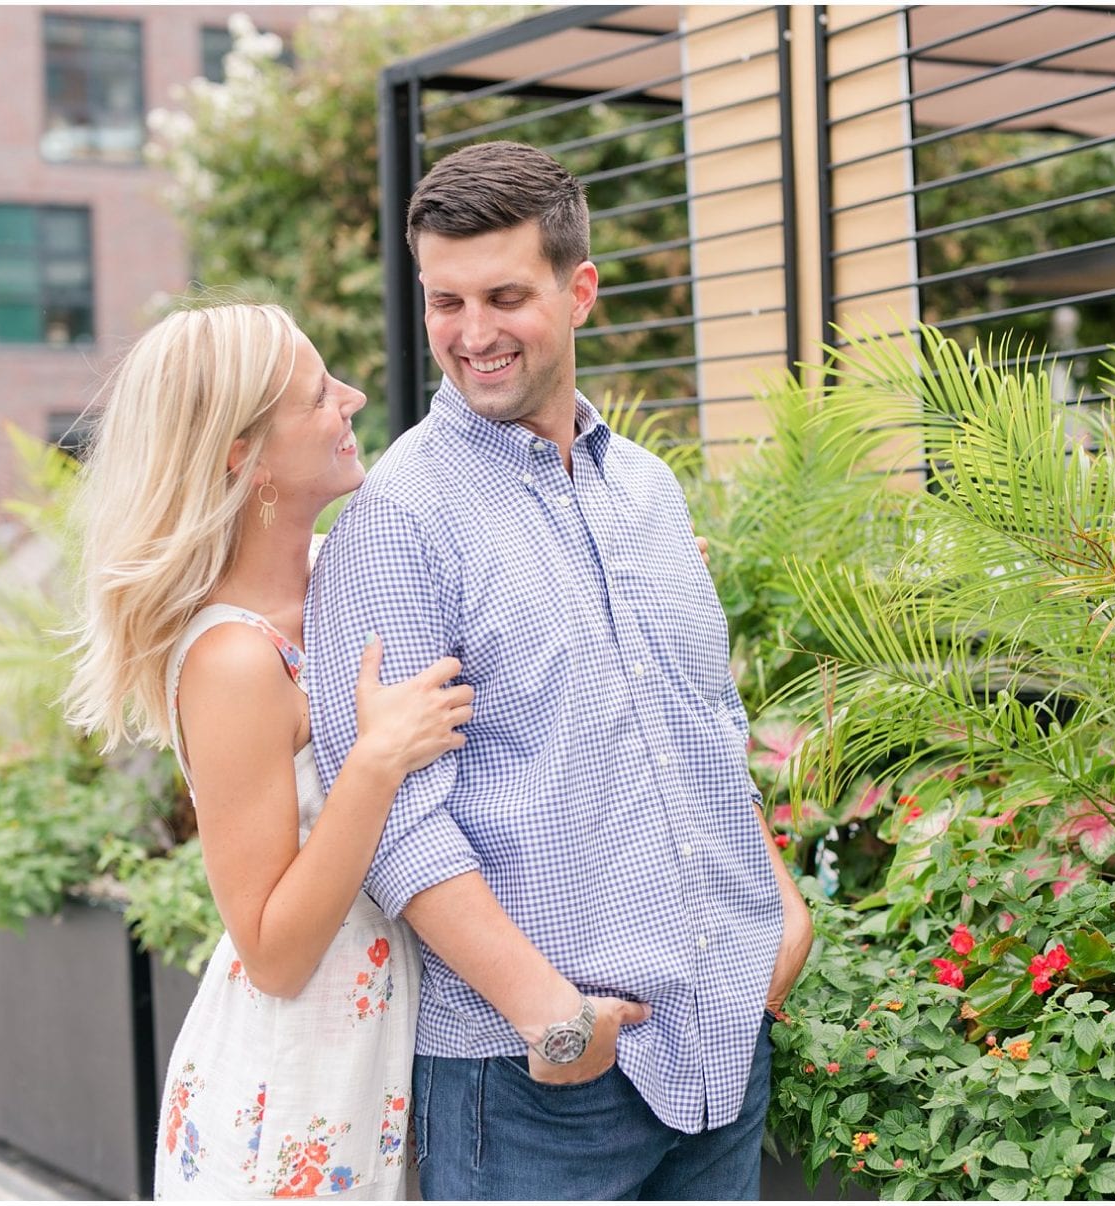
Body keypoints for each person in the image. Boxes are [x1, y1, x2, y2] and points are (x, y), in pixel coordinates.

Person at [305, 141, 814, 1201]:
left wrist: (780, 909)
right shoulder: (399, 519)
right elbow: (395, 813)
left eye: (504, 296)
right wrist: (552, 1015)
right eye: (446, 302)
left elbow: (699, 724)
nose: (472, 335)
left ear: (579, 291)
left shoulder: (650, 491)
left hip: (720, 1049)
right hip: (533, 1086)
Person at [63, 302, 474, 1199]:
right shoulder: (233, 659)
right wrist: (374, 763)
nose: (354, 398)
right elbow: (272, 952)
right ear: (240, 455)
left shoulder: (339, 575)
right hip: (296, 1095)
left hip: (384, 1058)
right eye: (319, 395)